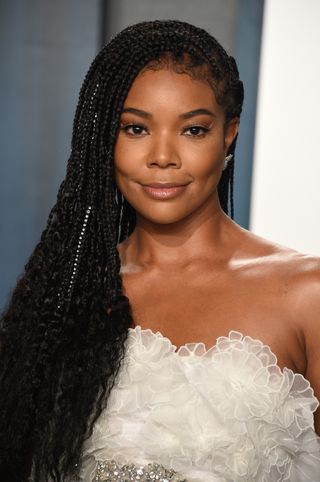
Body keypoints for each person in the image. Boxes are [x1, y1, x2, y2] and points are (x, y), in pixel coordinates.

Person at [0, 19, 320, 482]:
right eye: (135, 129)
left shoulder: (306, 294)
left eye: (192, 130)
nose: (163, 156)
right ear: (103, 139)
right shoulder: (63, 298)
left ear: (228, 134)